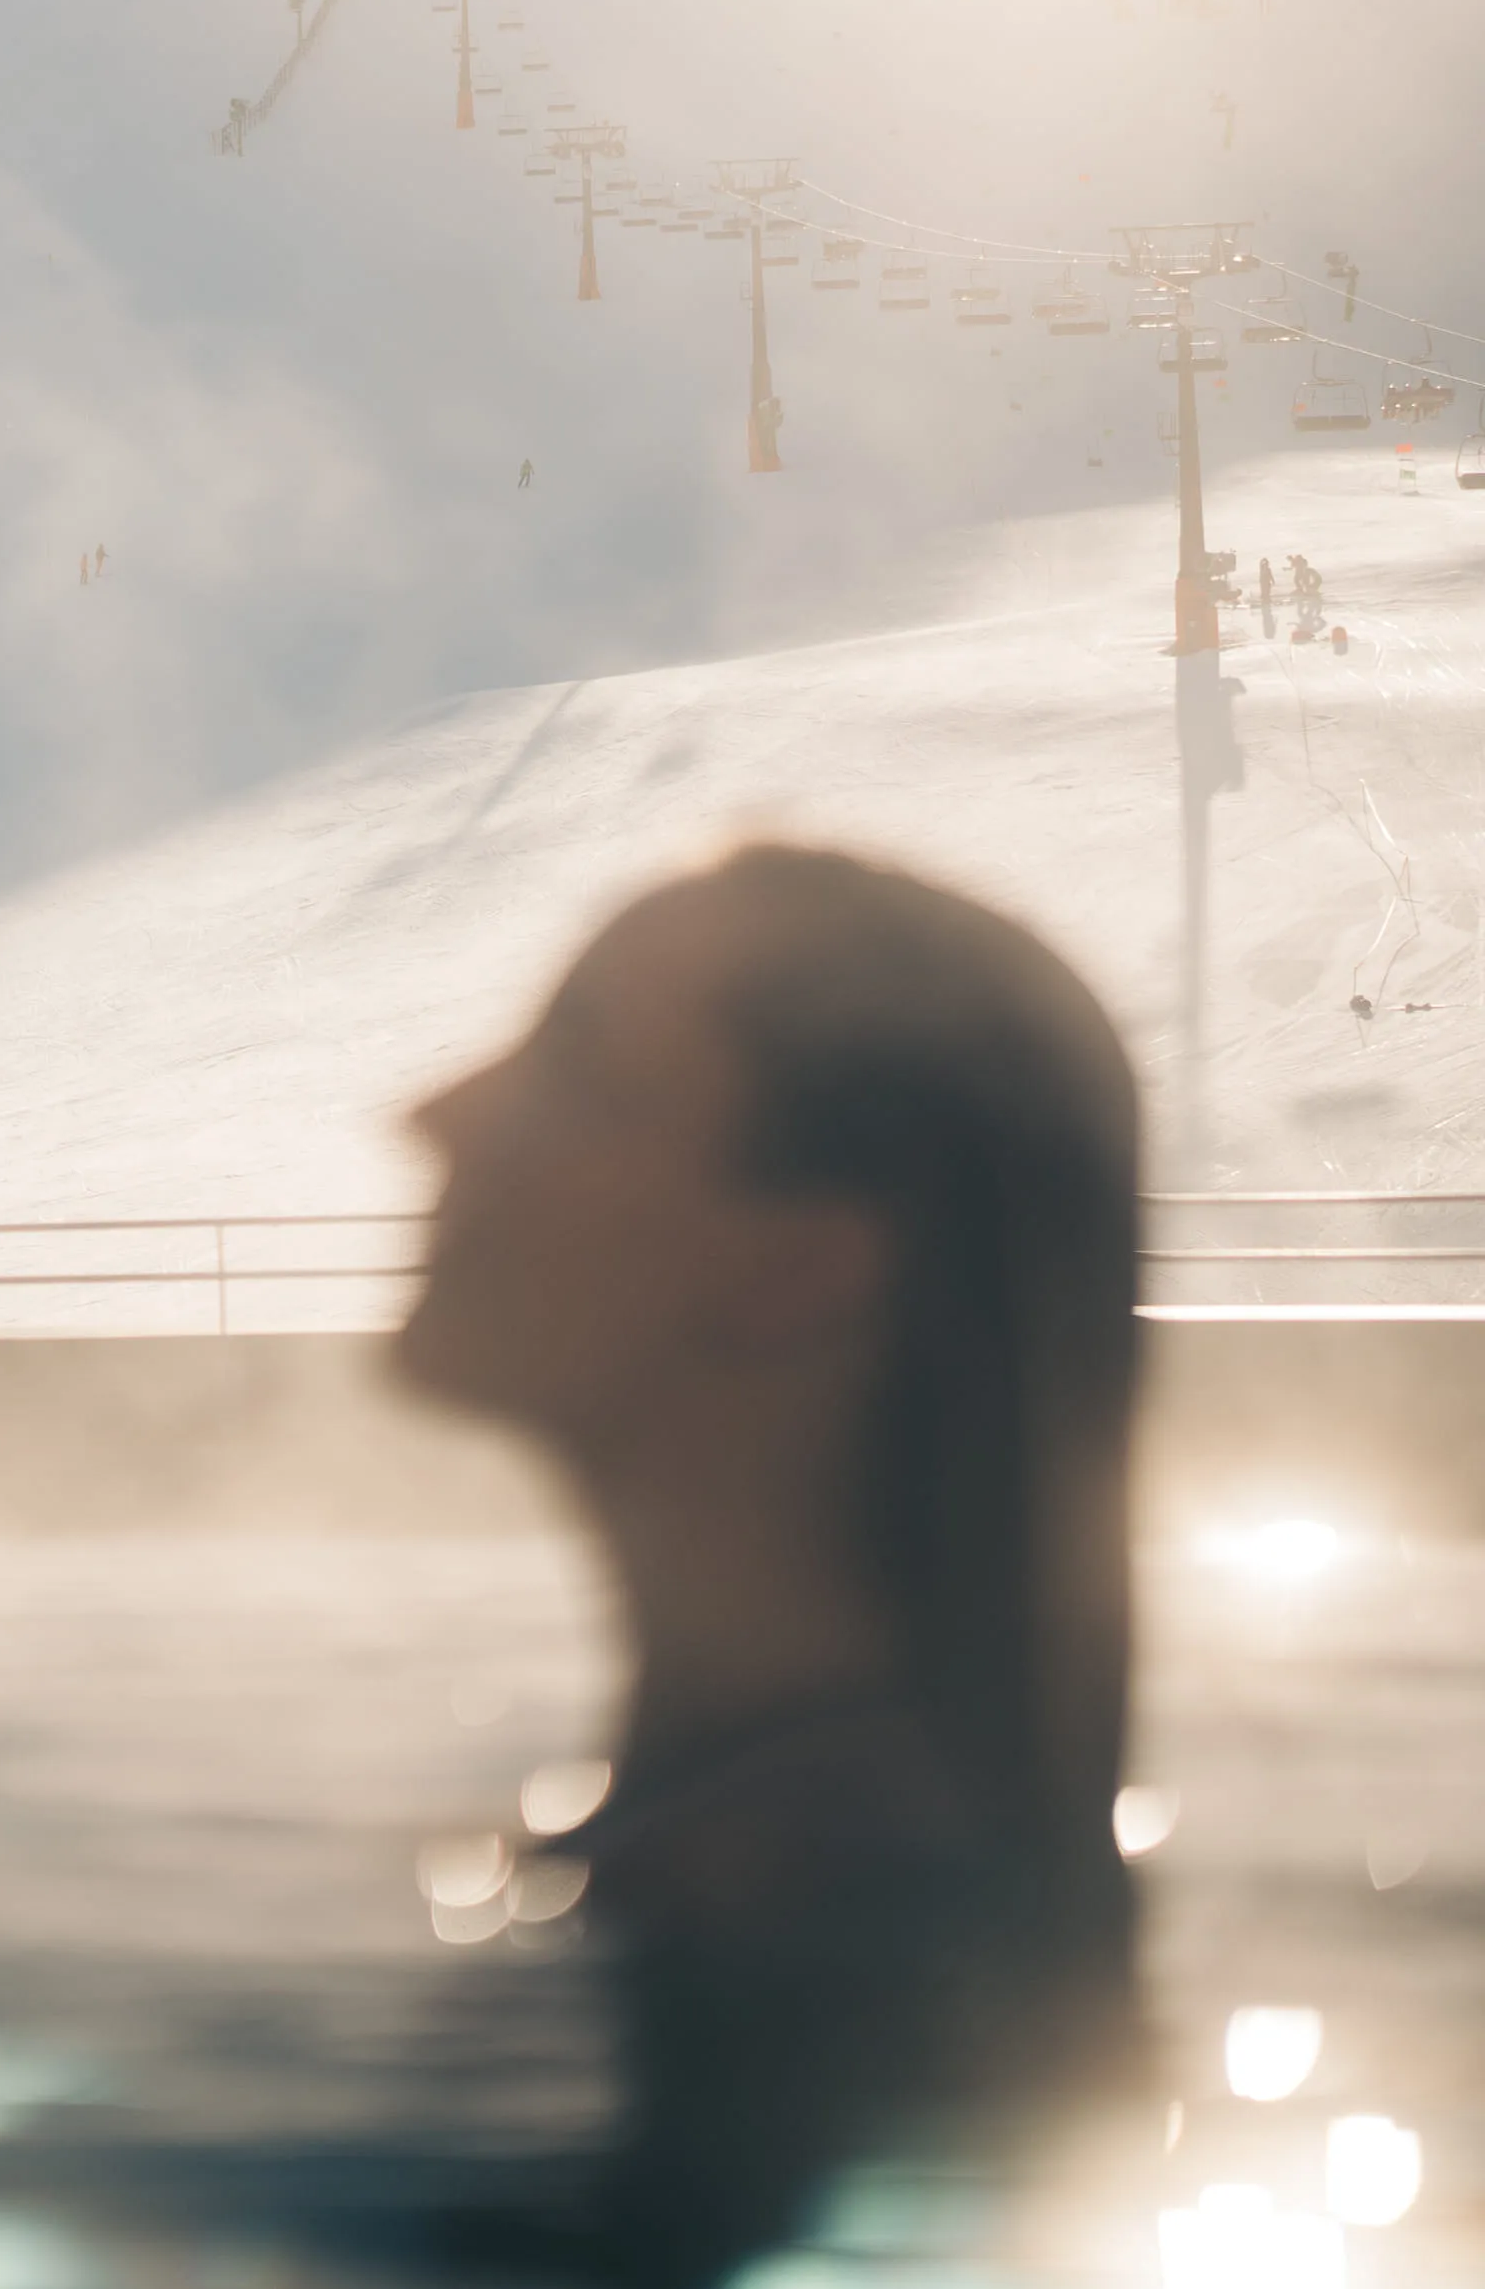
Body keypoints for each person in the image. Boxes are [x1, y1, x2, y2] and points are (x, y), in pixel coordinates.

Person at [399, 847, 1146, 2285]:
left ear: (797, 1268)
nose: (435, 1113)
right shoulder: (836, 1842)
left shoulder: (779, 1911)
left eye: (578, 1071)